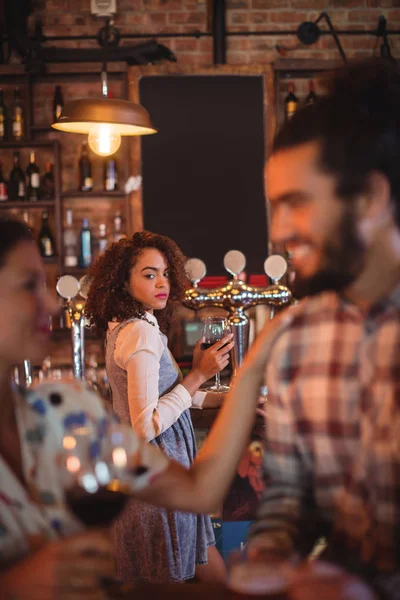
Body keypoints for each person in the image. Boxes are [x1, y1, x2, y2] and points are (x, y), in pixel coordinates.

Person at [0, 217, 262, 598]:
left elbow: (198, 491)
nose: (50, 302)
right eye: (28, 286)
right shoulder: (137, 330)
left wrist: (252, 377)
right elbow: (146, 424)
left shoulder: (64, 408)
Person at [228, 58, 400, 600]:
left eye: (295, 204)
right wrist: (271, 557)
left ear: (369, 199)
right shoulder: (298, 336)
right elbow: (289, 494)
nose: (278, 231)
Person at [85, 231, 234, 584]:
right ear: (123, 281)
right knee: (165, 579)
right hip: (159, 475)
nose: (162, 283)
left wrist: (233, 396)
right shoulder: (139, 333)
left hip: (171, 474)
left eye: (166, 273)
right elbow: (146, 425)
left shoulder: (135, 325)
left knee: (204, 565)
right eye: (149, 274)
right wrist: (199, 374)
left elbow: (180, 396)